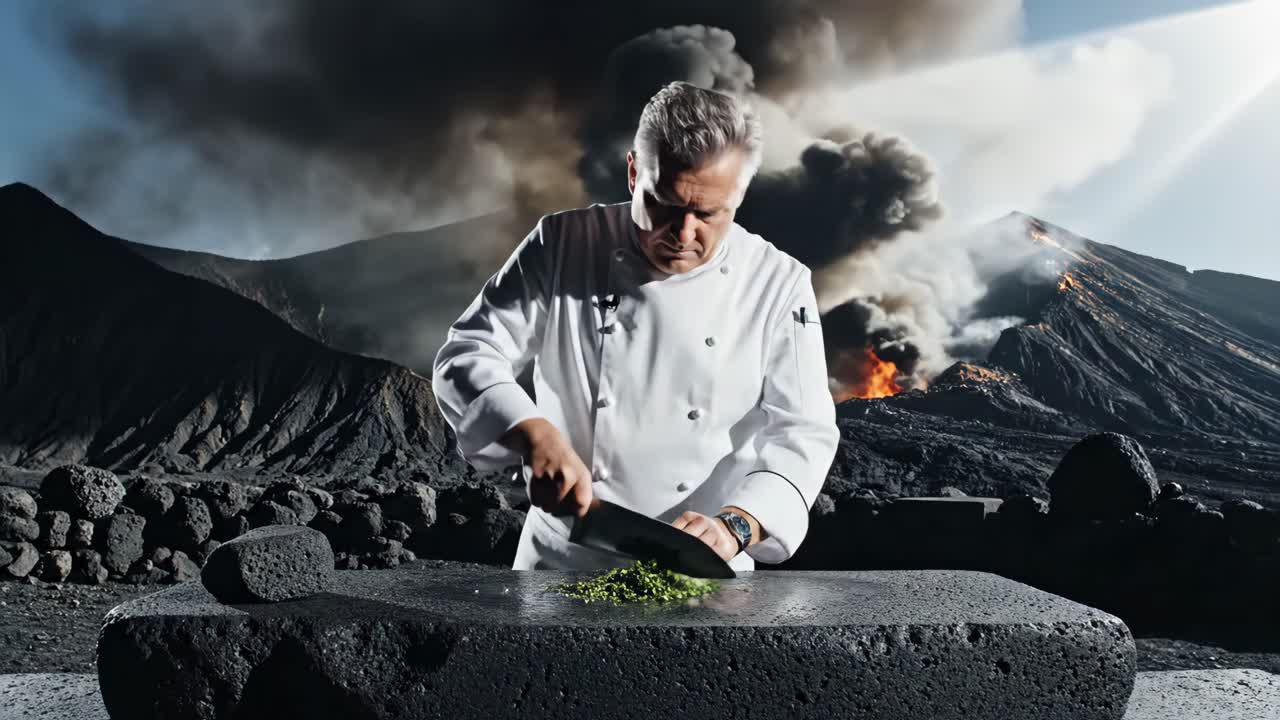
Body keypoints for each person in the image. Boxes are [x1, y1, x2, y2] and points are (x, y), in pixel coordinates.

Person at [432, 81, 839, 571]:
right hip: (562, 556)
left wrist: (738, 525)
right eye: (665, 205)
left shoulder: (778, 283)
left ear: (740, 194)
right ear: (633, 173)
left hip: (702, 565)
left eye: (709, 214)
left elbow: (805, 430)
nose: (684, 234)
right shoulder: (563, 244)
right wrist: (532, 432)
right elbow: (468, 352)